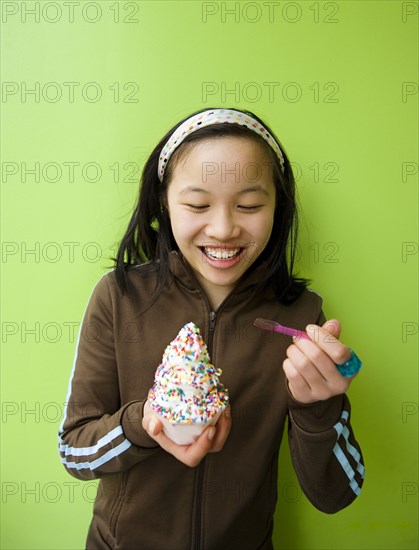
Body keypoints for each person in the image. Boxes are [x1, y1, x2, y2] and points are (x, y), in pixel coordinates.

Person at [58, 108, 365, 549]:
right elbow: (74, 450)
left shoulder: (301, 316)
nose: (223, 228)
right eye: (198, 204)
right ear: (163, 202)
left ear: (279, 207)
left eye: (249, 205)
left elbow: (337, 494)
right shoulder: (119, 297)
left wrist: (320, 407)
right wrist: (147, 424)